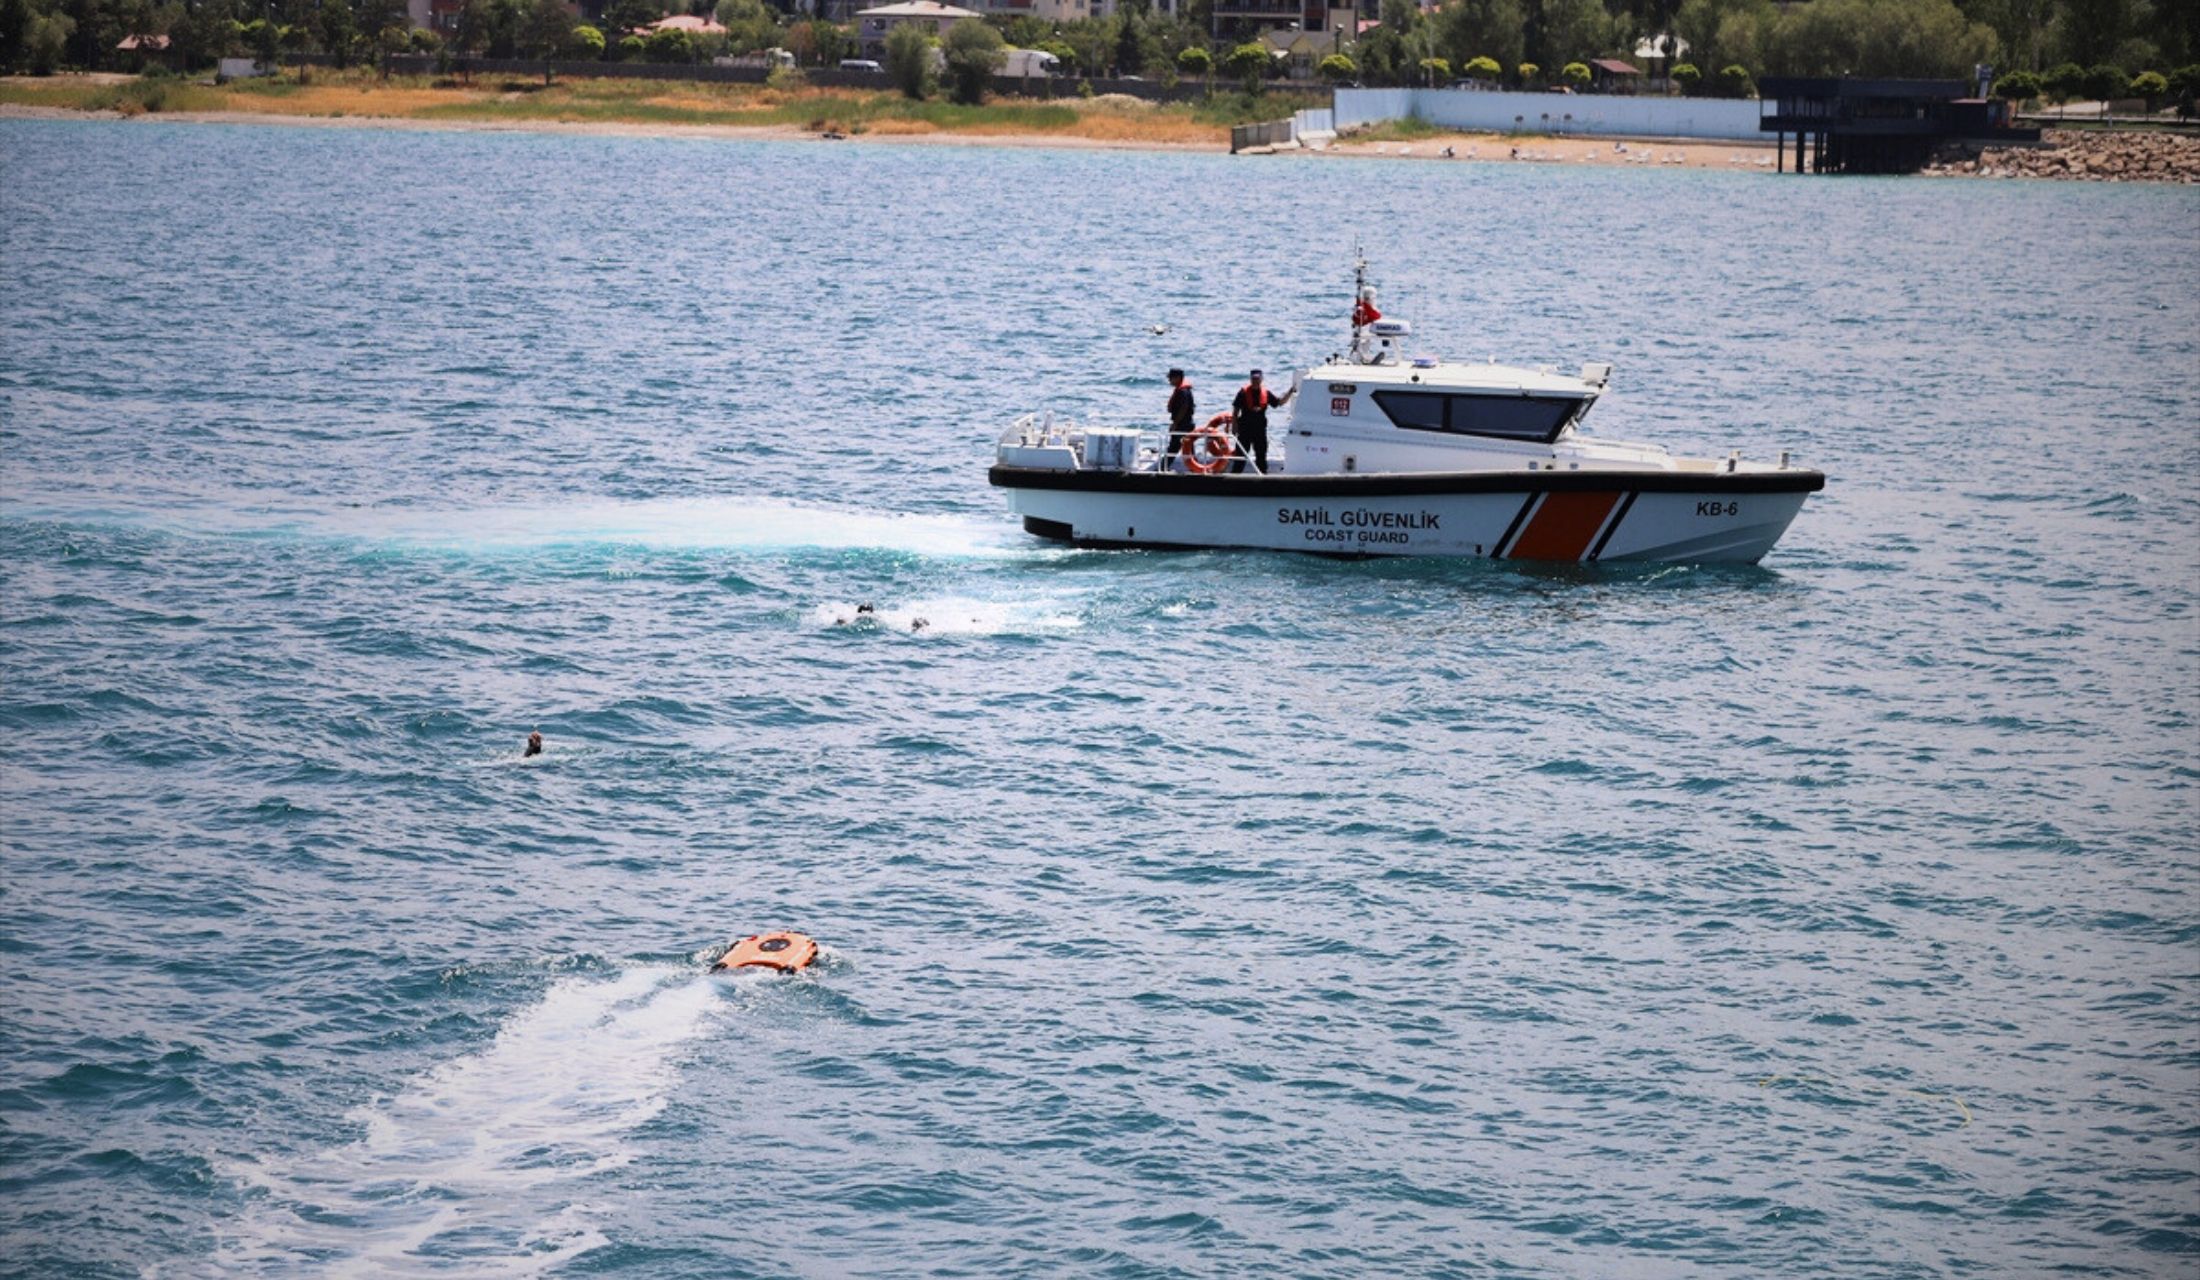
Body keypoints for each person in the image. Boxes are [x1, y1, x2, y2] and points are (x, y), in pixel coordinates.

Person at [1229, 369, 1295, 474]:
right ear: (1250, 379)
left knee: (1261, 458)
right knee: (1240, 457)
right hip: (1245, 430)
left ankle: (1262, 477)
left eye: (1257, 379)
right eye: (1253, 379)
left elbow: (1279, 403)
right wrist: (1234, 427)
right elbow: (1235, 412)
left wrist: (1290, 392)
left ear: (1261, 379)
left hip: (1259, 431)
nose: (1255, 381)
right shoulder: (1243, 393)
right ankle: (1234, 477)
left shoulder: (1266, 393)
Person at [1164, 368, 1195, 471]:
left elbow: (1183, 408)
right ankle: (1195, 468)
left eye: (1171, 378)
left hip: (1183, 425)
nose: (1169, 380)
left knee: (1173, 447)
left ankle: (1163, 467)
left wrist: (1175, 424)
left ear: (1177, 378)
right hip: (1185, 424)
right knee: (1188, 447)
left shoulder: (1183, 392)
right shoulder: (1182, 390)